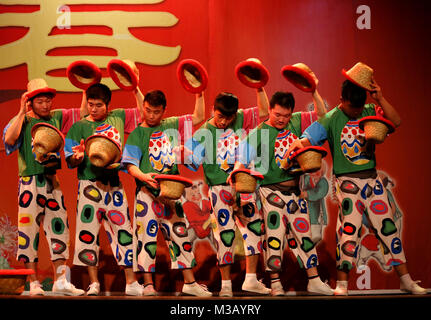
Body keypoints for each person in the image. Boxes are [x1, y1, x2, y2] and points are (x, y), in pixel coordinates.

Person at [288, 63, 426, 295]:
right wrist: (299, 145)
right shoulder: (332, 118)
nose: (356, 112)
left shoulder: (369, 111)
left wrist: (380, 99)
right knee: (349, 231)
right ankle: (342, 284)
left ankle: (406, 280)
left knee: (388, 228)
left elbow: (396, 121)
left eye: (359, 107)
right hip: (347, 183)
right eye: (352, 108)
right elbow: (307, 137)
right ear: (342, 100)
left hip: (372, 180)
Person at [235, 88, 333, 296]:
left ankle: (314, 280)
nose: (282, 119)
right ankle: (275, 283)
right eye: (277, 114)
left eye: (286, 115)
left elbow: (323, 116)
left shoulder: (296, 122)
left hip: (296, 192)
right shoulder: (258, 133)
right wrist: (236, 173)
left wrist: (315, 91)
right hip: (270, 192)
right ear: (269, 110)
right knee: (274, 237)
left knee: (304, 235)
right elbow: (241, 159)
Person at [122, 89, 211, 296]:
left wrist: (200, 91)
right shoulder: (137, 133)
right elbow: (130, 165)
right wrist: (144, 176)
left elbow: (198, 116)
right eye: (147, 111)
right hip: (147, 192)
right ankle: (148, 285)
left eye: (156, 112)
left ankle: (189, 283)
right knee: (146, 238)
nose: (151, 116)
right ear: (143, 108)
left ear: (164, 111)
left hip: (171, 193)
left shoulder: (171, 125)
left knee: (180, 236)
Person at [3, 78, 87, 296]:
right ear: (30, 102)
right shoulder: (21, 120)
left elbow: (83, 112)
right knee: (28, 233)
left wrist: (86, 88)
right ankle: (34, 283)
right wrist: (21, 112)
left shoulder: (56, 117)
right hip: (29, 183)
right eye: (40, 101)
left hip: (52, 182)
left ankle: (61, 281)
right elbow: (10, 140)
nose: (46, 105)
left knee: (59, 230)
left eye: (48, 100)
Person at [184, 86, 271, 297]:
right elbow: (191, 162)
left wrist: (259, 87)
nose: (224, 122)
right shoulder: (203, 132)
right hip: (219, 189)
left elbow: (265, 112)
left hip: (243, 184)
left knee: (254, 228)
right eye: (220, 116)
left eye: (228, 118)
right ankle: (225, 286)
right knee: (224, 234)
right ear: (213, 110)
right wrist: (183, 152)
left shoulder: (241, 118)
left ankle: (250, 279)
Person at [65, 83, 144, 296]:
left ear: (107, 105)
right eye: (90, 105)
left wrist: (136, 88)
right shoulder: (78, 127)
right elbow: (69, 160)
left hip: (114, 186)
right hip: (89, 186)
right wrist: (77, 156)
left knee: (124, 233)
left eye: (98, 105)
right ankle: (94, 283)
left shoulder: (118, 117)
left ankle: (131, 282)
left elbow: (144, 113)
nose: (93, 109)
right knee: (87, 234)